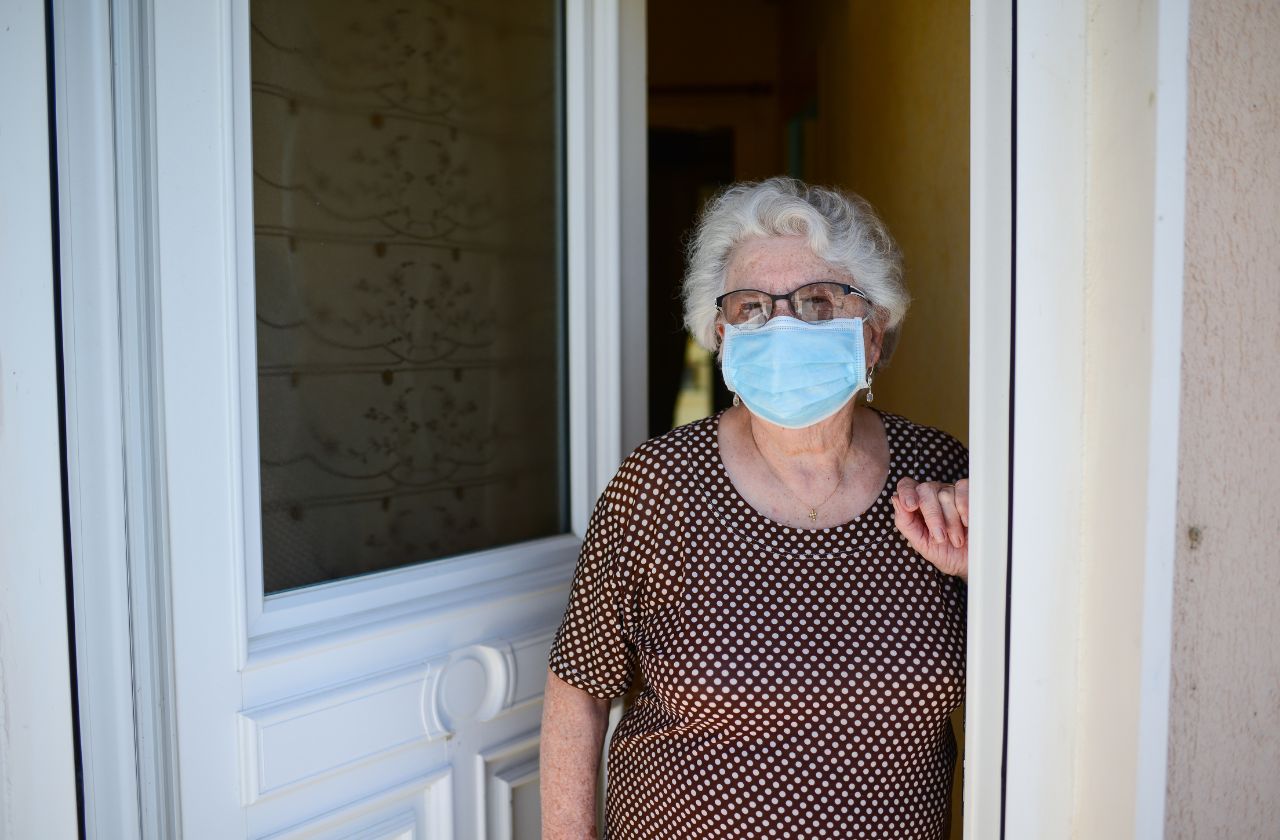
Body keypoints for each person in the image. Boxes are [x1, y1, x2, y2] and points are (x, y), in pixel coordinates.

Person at [541, 177, 970, 840]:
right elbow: (579, 689)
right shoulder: (659, 486)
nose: (785, 327)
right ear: (720, 337)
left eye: (820, 303)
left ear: (874, 335)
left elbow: (1037, 666)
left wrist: (984, 573)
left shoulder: (940, 475)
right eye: (752, 309)